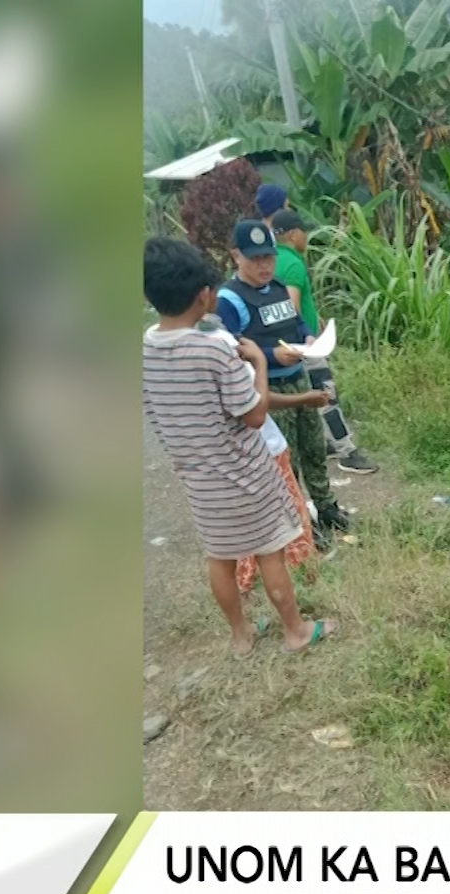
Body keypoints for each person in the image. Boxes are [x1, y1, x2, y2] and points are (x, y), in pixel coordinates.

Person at [142, 236, 333, 656]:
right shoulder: (215, 349)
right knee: (270, 552)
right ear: (203, 295)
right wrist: (259, 363)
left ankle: (241, 636)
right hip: (245, 472)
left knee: (220, 557)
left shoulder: (145, 348)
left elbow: (155, 414)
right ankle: (296, 632)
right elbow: (253, 415)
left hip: (198, 478)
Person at [215, 218, 354, 538]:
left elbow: (296, 325)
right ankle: (298, 521)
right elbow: (230, 349)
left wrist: (307, 339)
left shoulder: (277, 288)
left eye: (269, 257)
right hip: (267, 389)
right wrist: (269, 355)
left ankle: (326, 506)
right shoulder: (229, 299)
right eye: (256, 259)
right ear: (236, 256)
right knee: (283, 458)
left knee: (314, 447)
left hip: (297, 376)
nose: (264, 265)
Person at [269, 206, 378, 474]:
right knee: (327, 393)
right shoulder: (293, 263)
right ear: (294, 234)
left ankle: (328, 442)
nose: (306, 236)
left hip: (283, 346)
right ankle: (347, 451)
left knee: (310, 399)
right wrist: (305, 338)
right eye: (303, 231)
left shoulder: (272, 261)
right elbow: (290, 307)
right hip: (303, 345)